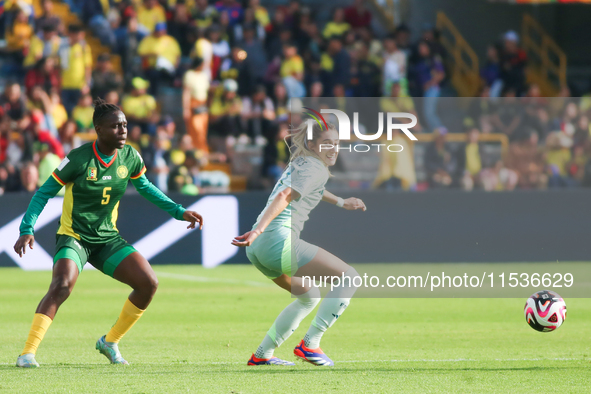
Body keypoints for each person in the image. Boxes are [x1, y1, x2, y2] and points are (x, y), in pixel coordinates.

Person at [14, 99, 204, 368]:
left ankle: (110, 341)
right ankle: (27, 353)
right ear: (98, 129)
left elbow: (146, 187)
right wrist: (27, 228)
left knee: (148, 283)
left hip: (106, 239)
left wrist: (178, 211)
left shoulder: (130, 157)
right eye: (116, 126)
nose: (123, 131)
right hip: (74, 236)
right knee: (62, 286)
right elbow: (44, 192)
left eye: (125, 125)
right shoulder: (78, 158)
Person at [232, 121, 366, 366]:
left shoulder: (303, 164)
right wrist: (258, 229)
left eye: (336, 144)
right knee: (350, 278)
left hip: (258, 248)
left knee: (309, 296)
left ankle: (262, 355)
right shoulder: (315, 168)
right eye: (327, 143)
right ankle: (310, 344)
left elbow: (312, 190)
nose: (334, 149)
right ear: (313, 144)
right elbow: (285, 195)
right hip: (276, 241)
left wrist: (342, 202)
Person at [183, 57, 211, 152]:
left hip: (203, 106)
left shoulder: (204, 75)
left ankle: (203, 150)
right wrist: (186, 109)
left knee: (203, 132)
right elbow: (186, 93)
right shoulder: (190, 75)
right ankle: (196, 151)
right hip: (193, 106)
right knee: (196, 130)